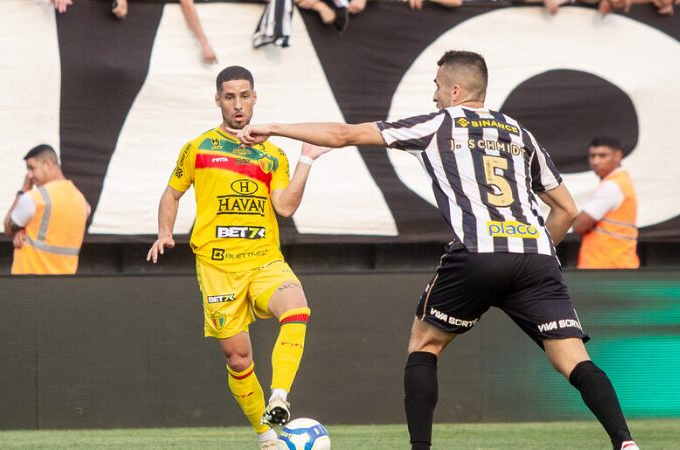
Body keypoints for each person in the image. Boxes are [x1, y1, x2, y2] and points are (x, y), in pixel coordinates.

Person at [237, 51, 639, 450]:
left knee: (425, 344)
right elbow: (566, 209)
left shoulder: (437, 125)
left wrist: (274, 127)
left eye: (436, 86)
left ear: (456, 89)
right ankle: (625, 442)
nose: (434, 94)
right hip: (536, 257)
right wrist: (533, 250)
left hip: (478, 252)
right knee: (573, 359)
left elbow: (344, 135)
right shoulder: (520, 134)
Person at [146, 66, 328, 450]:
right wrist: (165, 233)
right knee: (239, 359)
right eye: (230, 96)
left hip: (263, 259)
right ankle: (266, 436)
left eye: (244, 95)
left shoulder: (272, 153)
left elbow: (286, 207)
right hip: (217, 267)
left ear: (255, 97)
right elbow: (171, 194)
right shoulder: (198, 148)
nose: (238, 104)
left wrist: (306, 160)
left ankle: (279, 396)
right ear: (218, 100)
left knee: (297, 308)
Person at [4, 144, 91, 275]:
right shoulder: (83, 203)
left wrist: (23, 190)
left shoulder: (34, 198)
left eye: (32, 168)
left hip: (29, 285)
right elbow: (54, 231)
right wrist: (23, 230)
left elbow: (8, 227)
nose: (30, 175)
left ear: (48, 163)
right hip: (64, 285)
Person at [573, 137, 639, 269]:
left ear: (618, 156)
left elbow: (579, 225)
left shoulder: (612, 187)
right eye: (592, 156)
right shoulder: (621, 181)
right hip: (617, 264)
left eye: (602, 156)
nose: (596, 161)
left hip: (606, 266)